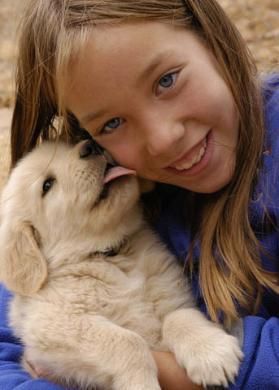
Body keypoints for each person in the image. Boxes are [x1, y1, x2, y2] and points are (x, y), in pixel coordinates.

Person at [0, 0, 279, 388]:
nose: (163, 140)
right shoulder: (118, 183)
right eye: (112, 123)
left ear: (212, 38)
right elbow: (10, 344)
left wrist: (166, 373)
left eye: (167, 80)